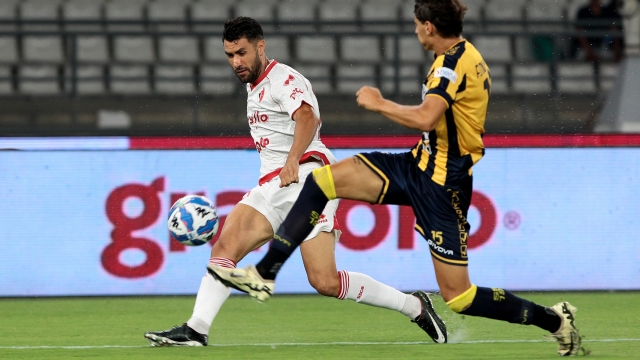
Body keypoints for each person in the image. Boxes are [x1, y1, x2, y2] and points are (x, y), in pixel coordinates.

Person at [210, 1, 583, 357]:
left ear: (429, 27)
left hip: (443, 186)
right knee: (322, 180)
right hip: (416, 165)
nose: (416, 31)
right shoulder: (463, 55)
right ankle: (265, 271)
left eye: (418, 25)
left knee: (460, 297)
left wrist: (379, 103)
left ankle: (553, 319)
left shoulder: (450, 67)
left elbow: (425, 118)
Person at [144, 17, 447, 347]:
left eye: (242, 53)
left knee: (325, 281)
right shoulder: (254, 87)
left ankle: (414, 306)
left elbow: (307, 116)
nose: (236, 62)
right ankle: (196, 329)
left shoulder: (283, 79)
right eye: (230, 55)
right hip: (272, 187)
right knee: (224, 249)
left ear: (261, 46)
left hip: (307, 180)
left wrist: (292, 159)